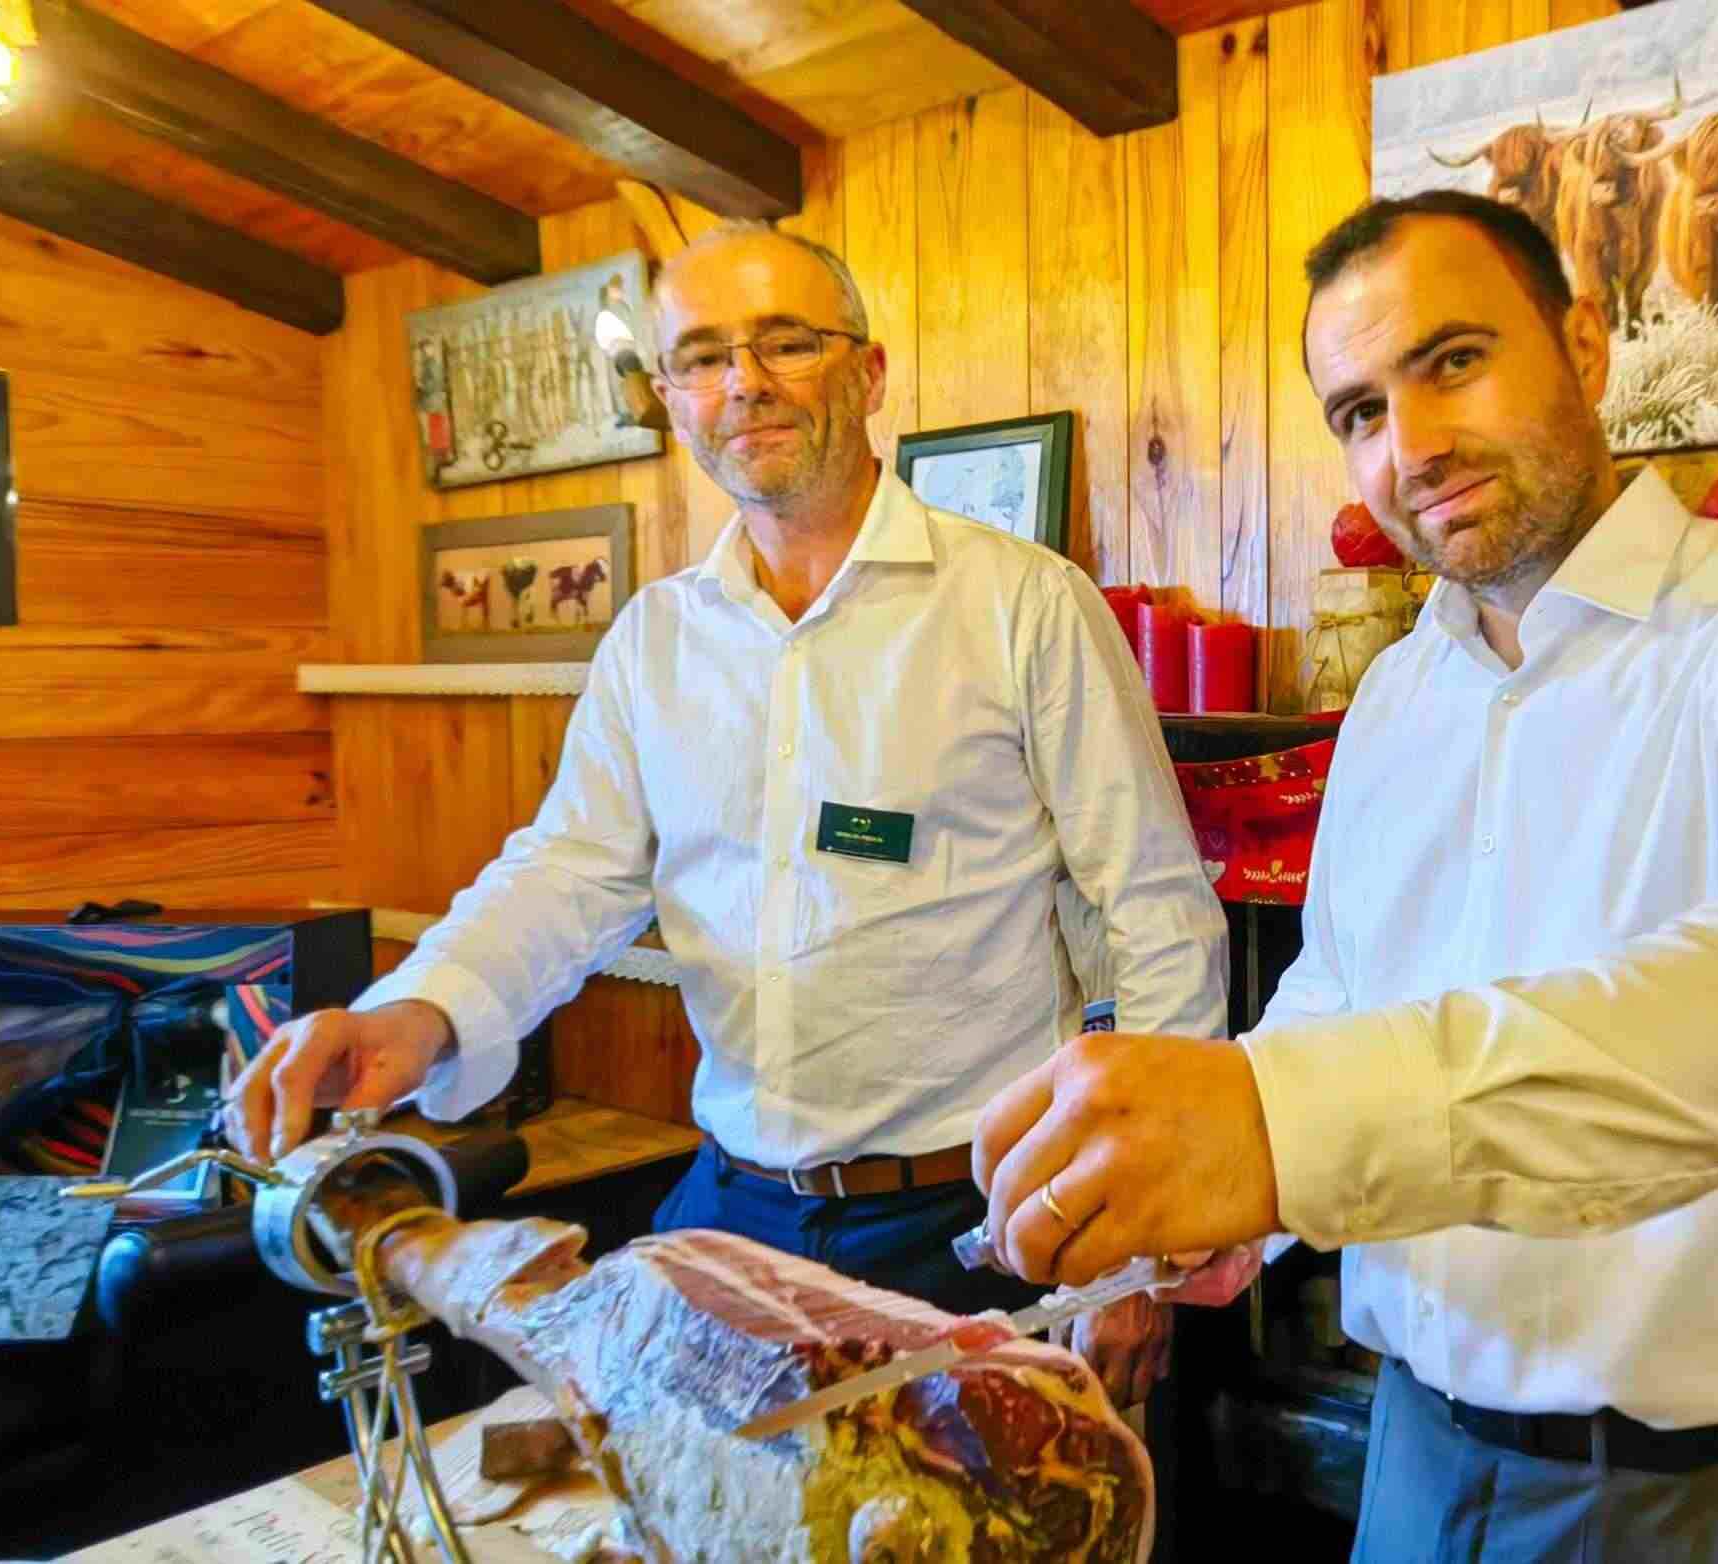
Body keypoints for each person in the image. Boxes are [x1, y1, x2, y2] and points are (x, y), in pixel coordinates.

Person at [972, 190, 1718, 1561]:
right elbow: (1339, 990)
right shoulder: (1394, 696)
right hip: (1411, 1456)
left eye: (1451, 361)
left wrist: (1288, 1126)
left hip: (1689, 1491)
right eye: (1359, 412)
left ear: (1583, 345)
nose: (1413, 445)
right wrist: (1228, 1189)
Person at [226, 221, 1228, 1404]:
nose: (742, 381)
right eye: (701, 357)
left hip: (981, 1221)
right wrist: (417, 1013)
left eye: (785, 342)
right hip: (731, 1215)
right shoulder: (652, 641)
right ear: (670, 399)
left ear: (868, 372)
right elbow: (567, 873)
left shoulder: (1024, 606)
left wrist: (1137, 1238)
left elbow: (1153, 912)